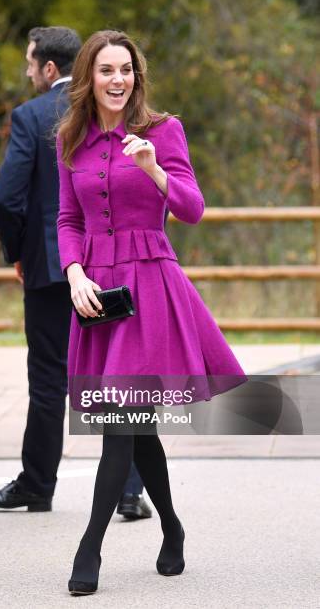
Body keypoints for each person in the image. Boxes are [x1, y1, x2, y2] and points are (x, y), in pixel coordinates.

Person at [56, 29, 247, 595]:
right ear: (89, 77)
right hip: (97, 292)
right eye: (107, 70)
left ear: (137, 76)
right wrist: (73, 274)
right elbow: (67, 219)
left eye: (127, 70)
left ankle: (88, 548)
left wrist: (155, 170)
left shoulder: (163, 131)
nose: (119, 80)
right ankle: (172, 528)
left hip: (150, 291)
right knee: (138, 430)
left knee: (120, 422)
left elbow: (191, 209)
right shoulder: (71, 140)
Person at [0, 26, 151, 518]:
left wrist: (18, 250)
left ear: (50, 67)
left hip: (51, 271)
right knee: (117, 372)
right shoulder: (116, 114)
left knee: (49, 379)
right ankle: (130, 490)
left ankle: (37, 484)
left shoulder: (32, 117)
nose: (29, 72)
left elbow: (6, 197)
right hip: (108, 267)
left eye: (31, 63)